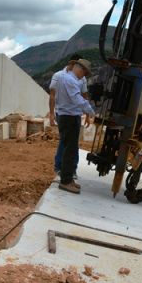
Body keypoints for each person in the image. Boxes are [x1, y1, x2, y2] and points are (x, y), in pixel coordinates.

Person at [56, 59, 95, 194]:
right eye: (84, 72)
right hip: (69, 117)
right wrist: (91, 111)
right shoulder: (70, 81)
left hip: (67, 116)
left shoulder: (64, 78)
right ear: (79, 68)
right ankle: (65, 181)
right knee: (69, 150)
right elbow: (78, 99)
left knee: (70, 148)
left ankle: (68, 179)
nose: (84, 76)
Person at [49, 54, 88, 175]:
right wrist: (51, 113)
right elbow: (52, 95)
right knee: (67, 141)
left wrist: (86, 113)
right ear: (71, 64)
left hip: (75, 114)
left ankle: (66, 168)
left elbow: (84, 95)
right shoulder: (58, 76)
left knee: (70, 141)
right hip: (63, 113)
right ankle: (64, 169)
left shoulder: (82, 78)